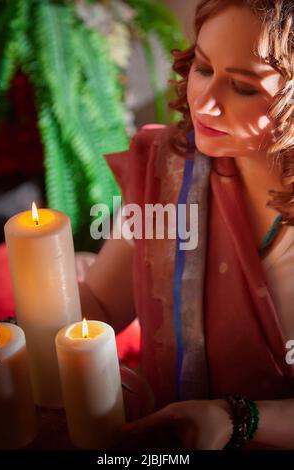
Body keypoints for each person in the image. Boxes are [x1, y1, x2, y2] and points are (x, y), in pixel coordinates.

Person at [77, 0, 294, 450]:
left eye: (242, 87)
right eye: (202, 67)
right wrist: (19, 336)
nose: (205, 104)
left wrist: (236, 419)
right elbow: (99, 300)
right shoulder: (173, 170)